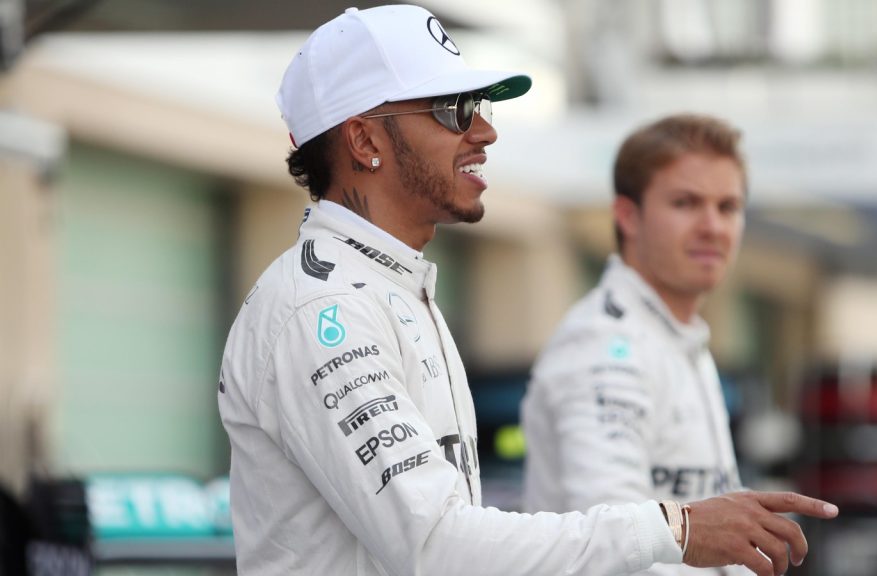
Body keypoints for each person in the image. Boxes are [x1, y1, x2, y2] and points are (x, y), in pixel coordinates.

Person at [217, 6, 837, 576]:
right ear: (365, 140)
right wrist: (673, 528)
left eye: (483, 106)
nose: (485, 131)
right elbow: (435, 545)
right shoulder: (326, 308)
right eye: (453, 109)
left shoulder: (390, 287)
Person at [520, 114, 757, 575]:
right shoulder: (604, 346)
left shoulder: (679, 338)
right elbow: (620, 547)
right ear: (627, 215)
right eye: (686, 203)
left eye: (728, 207)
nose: (713, 226)